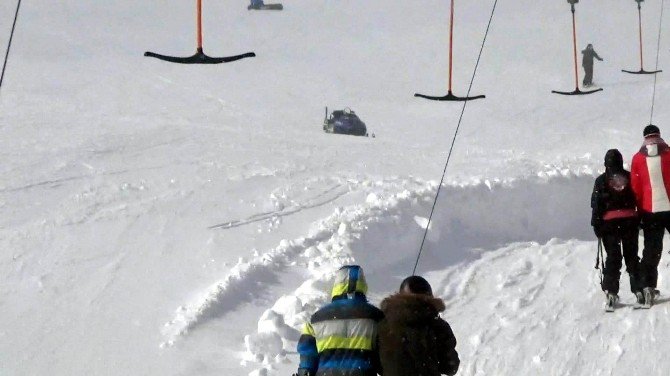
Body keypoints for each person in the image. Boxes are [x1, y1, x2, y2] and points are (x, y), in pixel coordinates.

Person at [295, 265, 384, 376]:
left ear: (336, 286)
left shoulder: (315, 319)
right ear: (363, 285)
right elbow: (384, 359)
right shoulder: (376, 317)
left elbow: (307, 359)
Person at [591, 149, 642, 310]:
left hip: (609, 224)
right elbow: (637, 197)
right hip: (629, 221)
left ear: (606, 163)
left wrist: (596, 225)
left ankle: (611, 293)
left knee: (613, 257)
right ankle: (639, 290)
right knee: (631, 256)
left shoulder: (601, 181)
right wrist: (639, 218)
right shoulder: (629, 177)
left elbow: (596, 204)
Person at [377, 276, 459, 376]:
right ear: (429, 298)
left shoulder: (383, 325)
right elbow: (450, 367)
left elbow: (378, 365)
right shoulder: (437, 326)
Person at [631, 125, 670, 307]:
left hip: (649, 210)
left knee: (651, 250)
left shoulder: (638, 159)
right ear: (659, 135)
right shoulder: (669, 154)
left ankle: (647, 287)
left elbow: (636, 189)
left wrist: (638, 212)